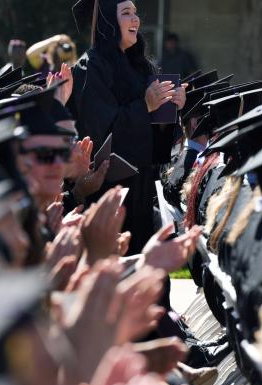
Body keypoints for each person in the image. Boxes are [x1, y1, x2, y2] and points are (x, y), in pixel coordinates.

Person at [71, 0, 187, 254]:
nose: (136, 19)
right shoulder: (91, 67)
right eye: (126, 13)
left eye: (135, 13)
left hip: (142, 189)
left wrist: (172, 108)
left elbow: (158, 147)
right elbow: (100, 132)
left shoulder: (141, 67)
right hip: (109, 192)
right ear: (108, 22)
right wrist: (145, 105)